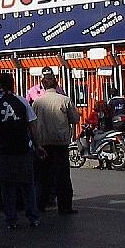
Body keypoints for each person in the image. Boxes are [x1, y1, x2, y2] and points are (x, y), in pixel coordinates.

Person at [0, 72, 43, 229]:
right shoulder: (22, 101)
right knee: (27, 184)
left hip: (3, 149)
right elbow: (32, 125)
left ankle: (11, 219)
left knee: (7, 186)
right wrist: (38, 146)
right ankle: (33, 217)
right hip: (22, 147)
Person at [32, 74, 80, 214]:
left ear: (43, 85)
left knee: (42, 177)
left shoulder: (37, 102)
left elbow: (32, 123)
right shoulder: (65, 100)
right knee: (62, 176)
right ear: (57, 84)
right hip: (60, 144)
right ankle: (65, 206)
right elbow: (75, 119)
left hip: (43, 144)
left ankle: (40, 205)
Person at [108, 88, 125, 155]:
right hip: (124, 119)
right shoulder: (124, 101)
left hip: (115, 120)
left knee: (116, 134)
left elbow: (108, 112)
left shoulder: (110, 102)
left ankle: (120, 149)